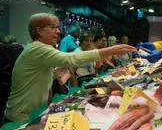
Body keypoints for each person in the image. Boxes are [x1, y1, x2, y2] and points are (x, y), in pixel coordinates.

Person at [4, 13, 136, 122]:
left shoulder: (39, 49)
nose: (58, 32)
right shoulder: (38, 48)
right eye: (53, 27)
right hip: (21, 117)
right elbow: (71, 59)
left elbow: (39, 75)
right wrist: (112, 50)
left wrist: (57, 73)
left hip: (32, 112)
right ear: (39, 30)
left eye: (57, 27)